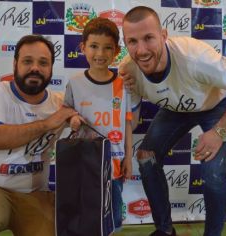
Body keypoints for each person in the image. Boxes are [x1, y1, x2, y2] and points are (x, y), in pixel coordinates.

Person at [119, 6, 226, 236]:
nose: (141, 50)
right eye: (132, 41)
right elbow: (132, 122)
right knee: (146, 158)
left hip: (216, 106)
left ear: (164, 36)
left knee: (213, 173)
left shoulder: (195, 58)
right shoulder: (128, 70)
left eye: (148, 38)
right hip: (176, 108)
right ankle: (165, 231)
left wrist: (218, 132)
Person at [0, 34, 77, 236]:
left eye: (43, 62)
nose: (35, 68)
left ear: (51, 69)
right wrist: (47, 124)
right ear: (15, 64)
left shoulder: (59, 103)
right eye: (27, 61)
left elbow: (101, 113)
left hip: (36, 195)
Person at [64, 17, 138, 232]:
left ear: (116, 51)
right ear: (83, 47)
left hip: (114, 164)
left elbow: (127, 123)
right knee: (84, 212)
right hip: (83, 163)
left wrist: (128, 159)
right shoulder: (75, 83)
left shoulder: (121, 85)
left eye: (108, 48)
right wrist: (72, 119)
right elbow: (66, 112)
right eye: (94, 46)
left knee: (112, 216)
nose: (100, 54)